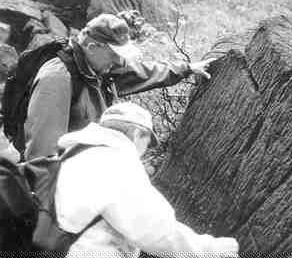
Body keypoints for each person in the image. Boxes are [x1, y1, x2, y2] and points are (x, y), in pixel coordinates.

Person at [54, 102, 239, 258]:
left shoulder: (75, 154)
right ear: (137, 134)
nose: (146, 150)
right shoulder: (117, 161)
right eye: (148, 142)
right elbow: (156, 231)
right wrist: (212, 249)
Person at [23, 13, 215, 160]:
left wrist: (186, 68)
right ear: (92, 47)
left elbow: (143, 72)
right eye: (115, 55)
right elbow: (42, 153)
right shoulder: (58, 79)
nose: (121, 62)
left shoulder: (98, 67)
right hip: (68, 180)